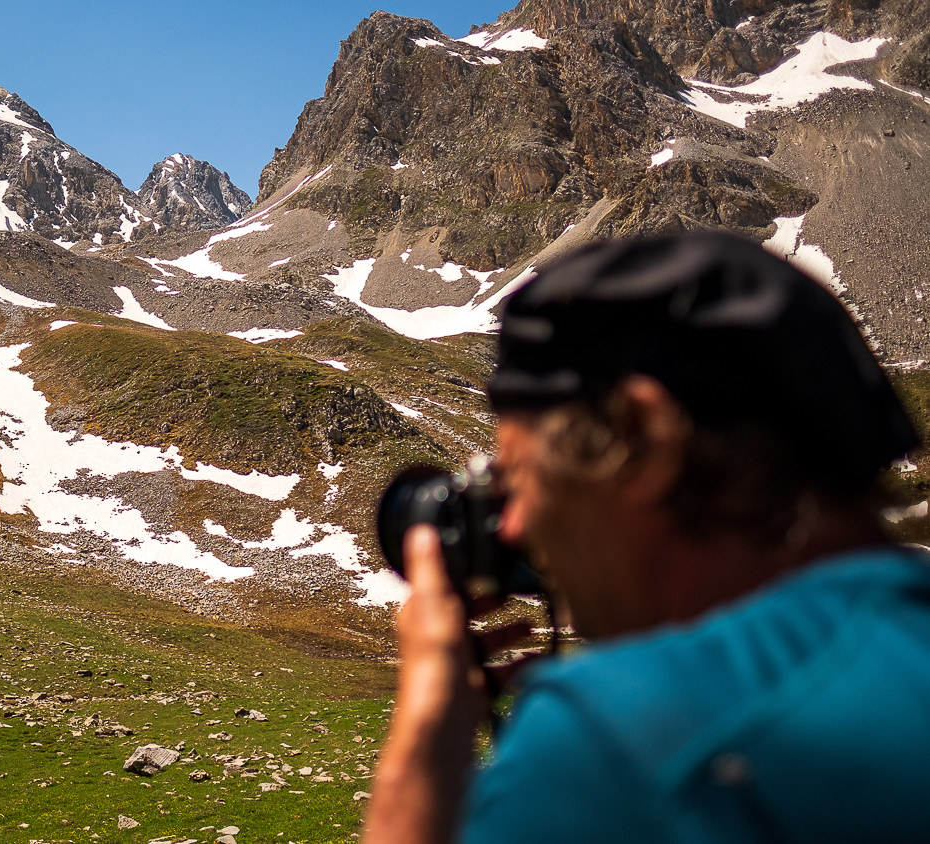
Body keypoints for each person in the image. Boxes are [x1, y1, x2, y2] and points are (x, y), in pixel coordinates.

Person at [363, 231, 927, 843]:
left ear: (638, 434)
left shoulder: (615, 737)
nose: (517, 527)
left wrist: (425, 732)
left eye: (520, 481)